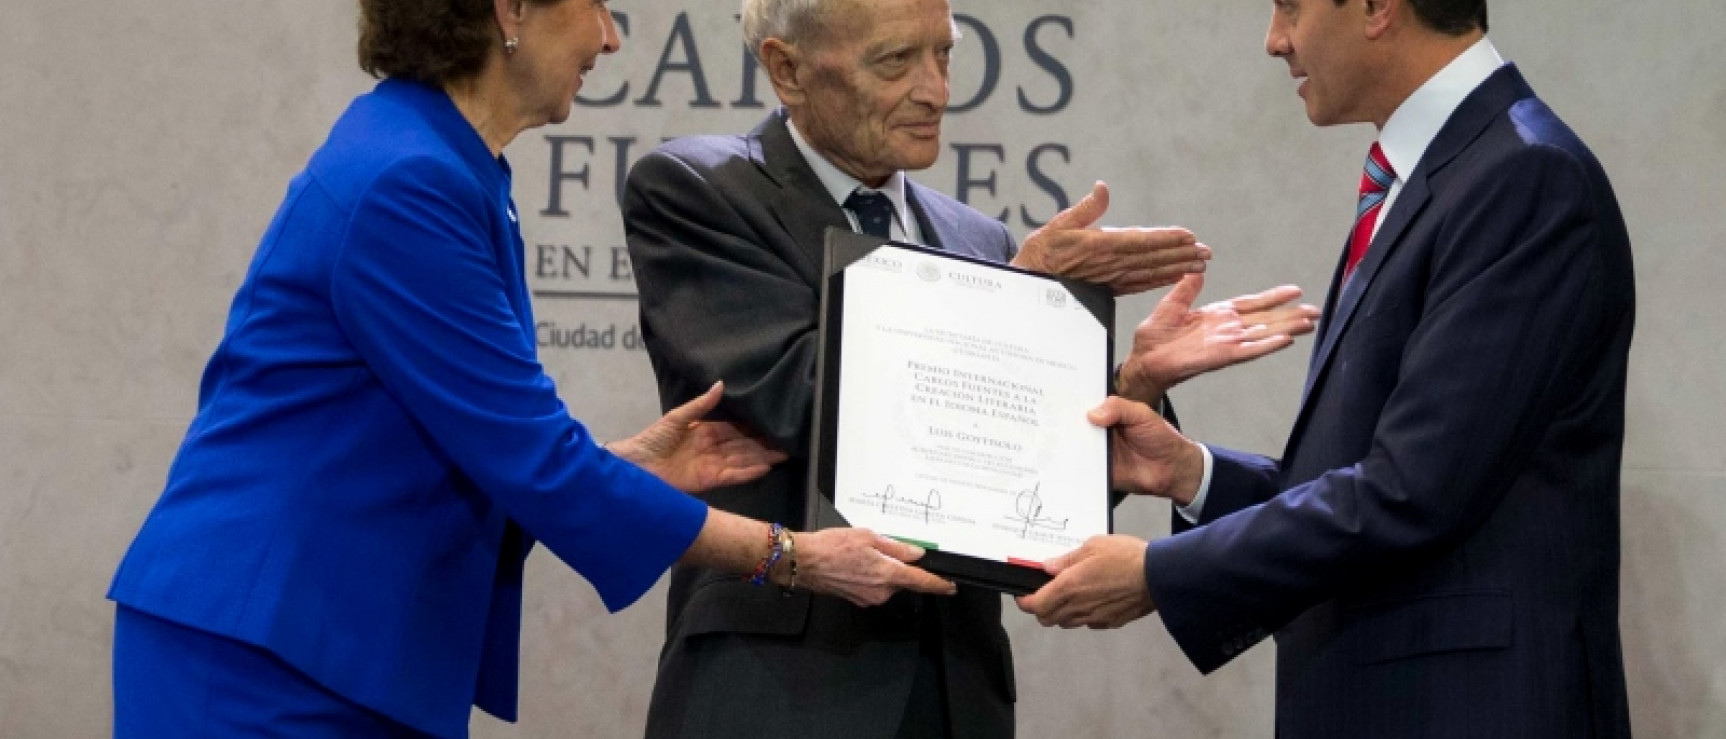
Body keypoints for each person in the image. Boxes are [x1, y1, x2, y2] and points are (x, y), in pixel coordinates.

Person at [105, 1, 962, 736]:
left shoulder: (445, 160)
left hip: (333, 634)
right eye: (591, 4)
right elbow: (539, 463)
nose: (609, 38)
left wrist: (625, 466)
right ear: (510, 10)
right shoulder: (411, 178)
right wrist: (792, 555)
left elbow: (480, 441)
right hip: (270, 650)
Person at [621, 1, 1320, 736]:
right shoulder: (699, 191)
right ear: (786, 69)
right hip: (775, 692)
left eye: (945, 55)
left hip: (956, 695)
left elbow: (1014, 483)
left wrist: (1134, 384)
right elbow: (806, 400)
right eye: (896, 61)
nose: (936, 90)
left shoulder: (975, 237)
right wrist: (1015, 284)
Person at [1018, 1, 1635, 737]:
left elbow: (1410, 493)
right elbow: (1368, 479)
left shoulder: (1524, 178)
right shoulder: (1440, 174)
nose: (1275, 39)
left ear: (1377, 8)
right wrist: (1191, 473)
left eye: (1291, 6)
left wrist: (1160, 573)